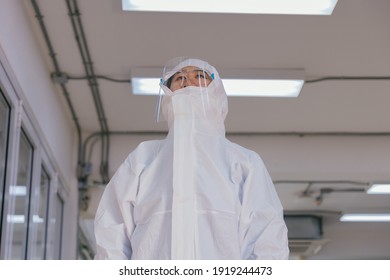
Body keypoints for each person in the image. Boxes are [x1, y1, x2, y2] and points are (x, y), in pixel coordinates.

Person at [94, 57, 289, 260]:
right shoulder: (143, 159)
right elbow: (112, 233)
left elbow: (267, 237)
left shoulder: (244, 162)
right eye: (179, 78)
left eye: (199, 76)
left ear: (217, 91)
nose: (187, 81)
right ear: (167, 92)